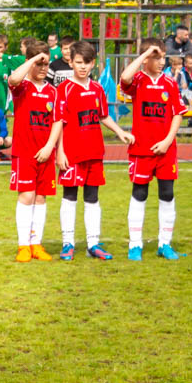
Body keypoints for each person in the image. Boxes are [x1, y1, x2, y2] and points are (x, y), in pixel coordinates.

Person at [51, 40, 134, 261]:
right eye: (78, 62)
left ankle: (93, 243)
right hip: (71, 152)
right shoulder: (64, 89)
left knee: (92, 197)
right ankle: (68, 243)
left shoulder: (97, 88)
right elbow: (58, 120)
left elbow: (103, 115)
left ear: (93, 64)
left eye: (87, 62)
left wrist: (119, 132)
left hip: (94, 151)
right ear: (71, 62)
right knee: (70, 196)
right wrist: (60, 151)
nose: (83, 66)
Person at [120, 38, 187, 261]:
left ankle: (164, 244)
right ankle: (135, 244)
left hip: (166, 149)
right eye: (156, 57)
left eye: (163, 57)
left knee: (167, 194)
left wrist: (168, 141)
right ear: (147, 58)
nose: (161, 62)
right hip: (141, 149)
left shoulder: (170, 83)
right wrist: (146, 52)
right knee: (140, 194)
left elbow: (177, 113)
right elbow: (124, 78)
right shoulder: (137, 80)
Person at [7, 43, 57, 262]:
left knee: (41, 198)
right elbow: (13, 79)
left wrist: (49, 147)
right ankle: (23, 246)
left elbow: (57, 121)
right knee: (27, 196)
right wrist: (32, 60)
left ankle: (36, 244)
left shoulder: (52, 91)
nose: (44, 68)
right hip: (24, 152)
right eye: (40, 64)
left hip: (46, 153)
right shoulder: (23, 87)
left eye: (46, 64)